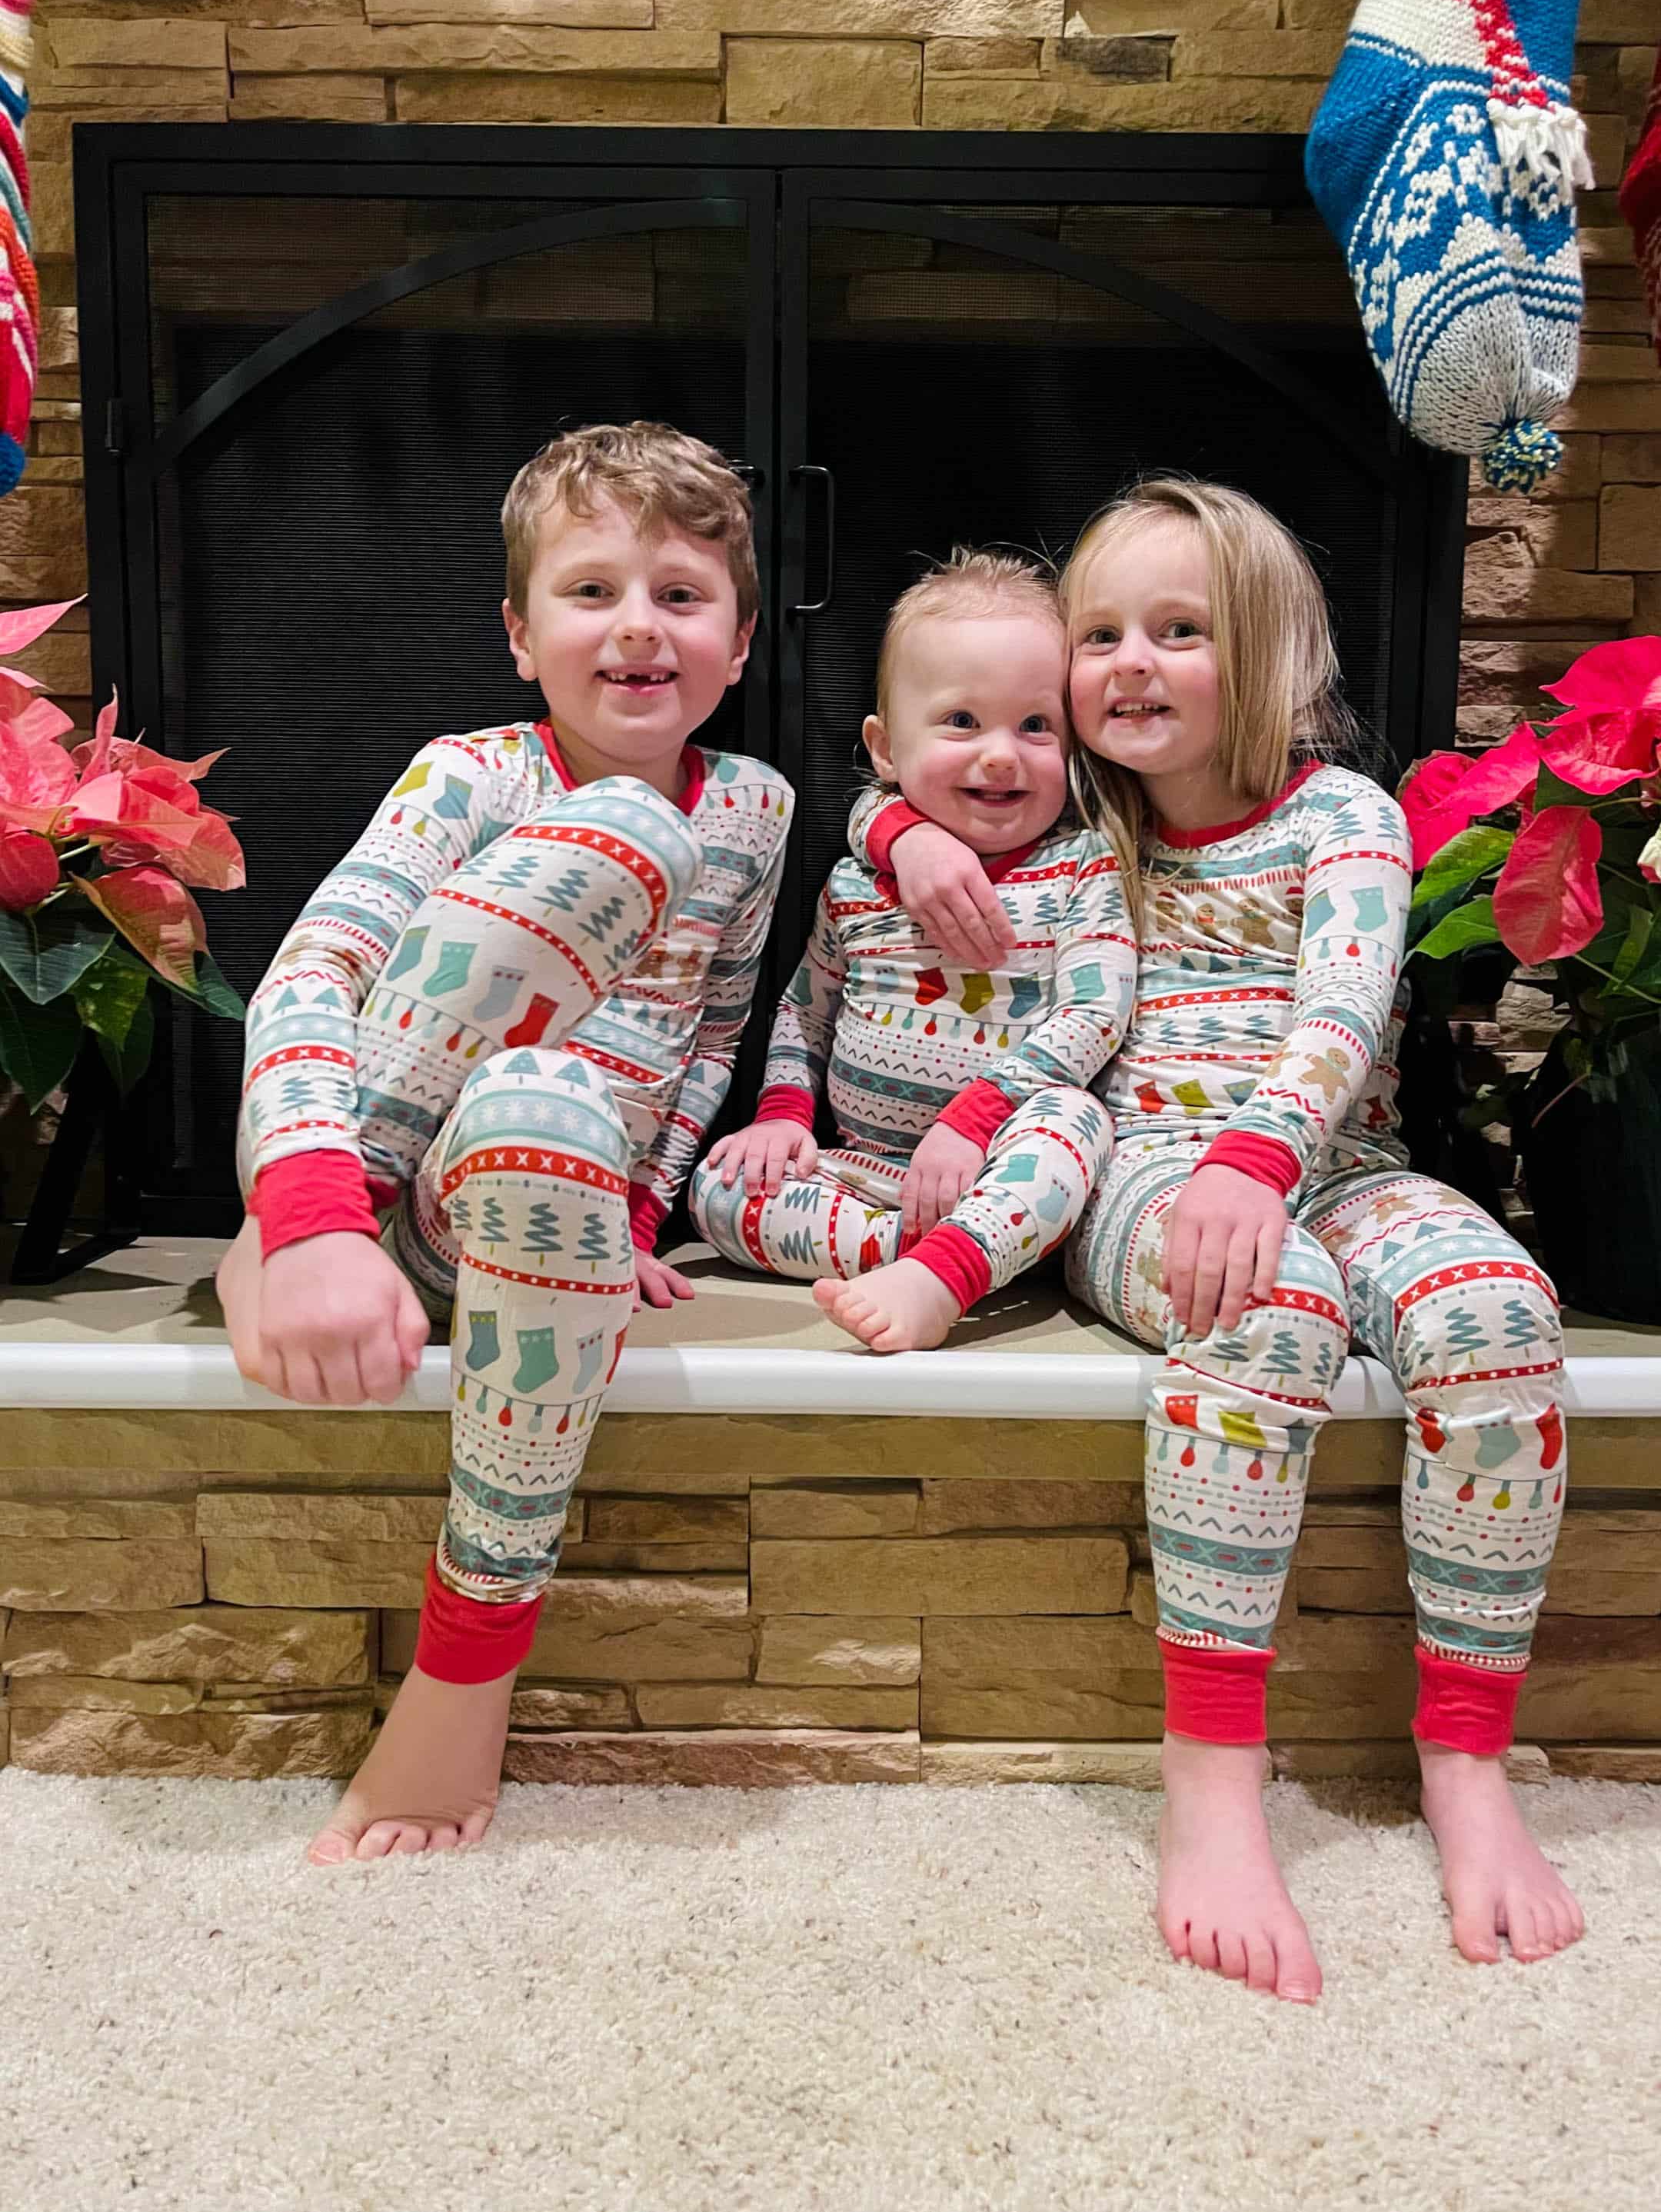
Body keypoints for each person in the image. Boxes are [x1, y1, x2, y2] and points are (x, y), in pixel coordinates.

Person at [854, 478, 1583, 1999]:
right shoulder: (1086, 812)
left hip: (1332, 1157)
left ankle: (1466, 1761)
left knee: (1498, 1311)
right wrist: (898, 830)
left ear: (1271, 653)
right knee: (1267, 1307)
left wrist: (1265, 1153)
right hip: (1139, 1170)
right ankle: (1214, 1774)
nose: (1131, 662)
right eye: (1101, 633)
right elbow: (910, 773)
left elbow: (1342, 1006)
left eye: (1178, 630)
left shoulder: (1343, 816)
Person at [215, 421, 793, 1865]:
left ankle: (465, 1665)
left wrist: (636, 1218)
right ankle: (288, 1235)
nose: (638, 626)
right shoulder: (468, 772)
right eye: (591, 591)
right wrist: (316, 1206)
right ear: (523, 636)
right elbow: (313, 972)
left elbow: (715, 1035)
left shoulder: (760, 806)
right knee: (621, 837)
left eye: (681, 594)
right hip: (363, 1161)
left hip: (532, 1194)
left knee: (552, 1105)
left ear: (740, 640)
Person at [691, 550, 1131, 1352]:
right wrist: (781, 1116)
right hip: (865, 1175)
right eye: (962, 720)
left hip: (1001, 1157)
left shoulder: (1080, 866)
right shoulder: (857, 883)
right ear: (886, 749)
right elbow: (804, 1013)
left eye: (1036, 726)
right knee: (720, 1188)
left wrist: (978, 1117)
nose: (1001, 754)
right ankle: (948, 1259)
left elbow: (1097, 1014)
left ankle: (962, 1256)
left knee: (1077, 1121)